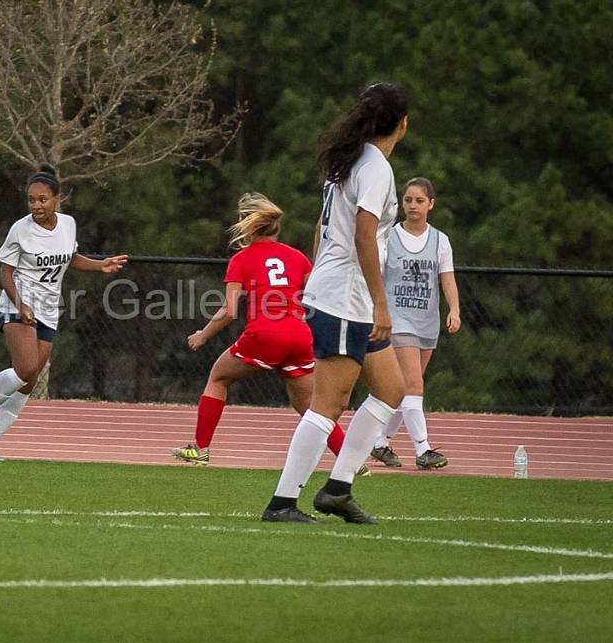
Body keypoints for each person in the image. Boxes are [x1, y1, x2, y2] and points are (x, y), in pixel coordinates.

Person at [260, 82, 409, 524]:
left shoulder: (352, 159)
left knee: (391, 389)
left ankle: (338, 489)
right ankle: (282, 503)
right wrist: (381, 304)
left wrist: (318, 277)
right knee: (329, 403)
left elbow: (324, 226)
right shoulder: (375, 166)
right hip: (348, 296)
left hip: (346, 293)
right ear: (403, 123)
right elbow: (363, 234)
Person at [172, 193, 369, 478]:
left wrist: (203, 335)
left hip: (265, 334)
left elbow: (229, 311)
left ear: (246, 225)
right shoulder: (297, 257)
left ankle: (200, 449)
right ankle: (352, 462)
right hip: (300, 335)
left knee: (218, 377)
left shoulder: (241, 259)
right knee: (311, 406)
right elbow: (318, 295)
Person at [0, 165, 128, 461]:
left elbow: (70, 258)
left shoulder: (68, 224)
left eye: (42, 199)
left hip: (49, 309)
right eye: (31, 200)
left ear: (57, 200)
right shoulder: (20, 229)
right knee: (25, 368)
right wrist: (21, 304)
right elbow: (5, 273)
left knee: (28, 381)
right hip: (18, 303)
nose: (36, 205)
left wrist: (100, 264)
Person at [369, 177, 460, 469]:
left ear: (431, 204)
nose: (413, 206)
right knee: (413, 384)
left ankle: (380, 443)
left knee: (401, 389)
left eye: (419, 201)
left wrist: (454, 309)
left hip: (427, 321)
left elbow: (446, 277)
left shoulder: (440, 240)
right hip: (398, 320)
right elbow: (375, 277)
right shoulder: (389, 237)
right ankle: (423, 450)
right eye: (408, 200)